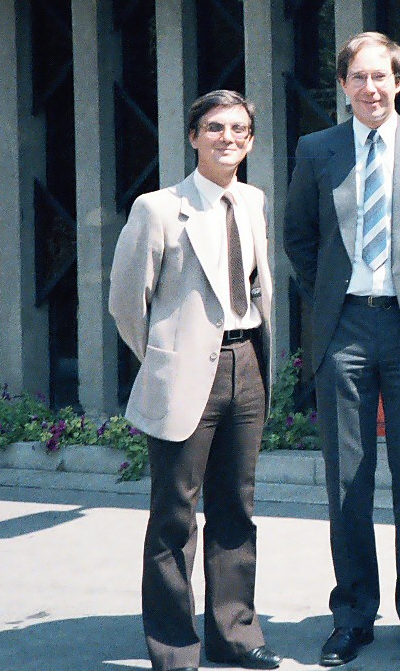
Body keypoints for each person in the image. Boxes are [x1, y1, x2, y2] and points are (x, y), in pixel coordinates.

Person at [283, 32, 400, 667]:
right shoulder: (317, 150)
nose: (371, 89)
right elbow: (299, 239)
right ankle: (353, 614)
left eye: (382, 78)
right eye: (358, 78)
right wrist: (333, 302)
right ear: (343, 85)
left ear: (399, 83)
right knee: (349, 482)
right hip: (344, 331)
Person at [108, 90, 283, 671]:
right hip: (185, 375)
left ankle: (235, 634)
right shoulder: (157, 209)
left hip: (247, 366)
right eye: (214, 128)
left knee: (236, 507)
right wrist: (166, 358)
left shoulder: (254, 201)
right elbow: (126, 303)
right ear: (192, 137)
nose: (227, 138)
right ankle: (175, 649)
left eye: (238, 129)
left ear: (251, 140)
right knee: (174, 516)